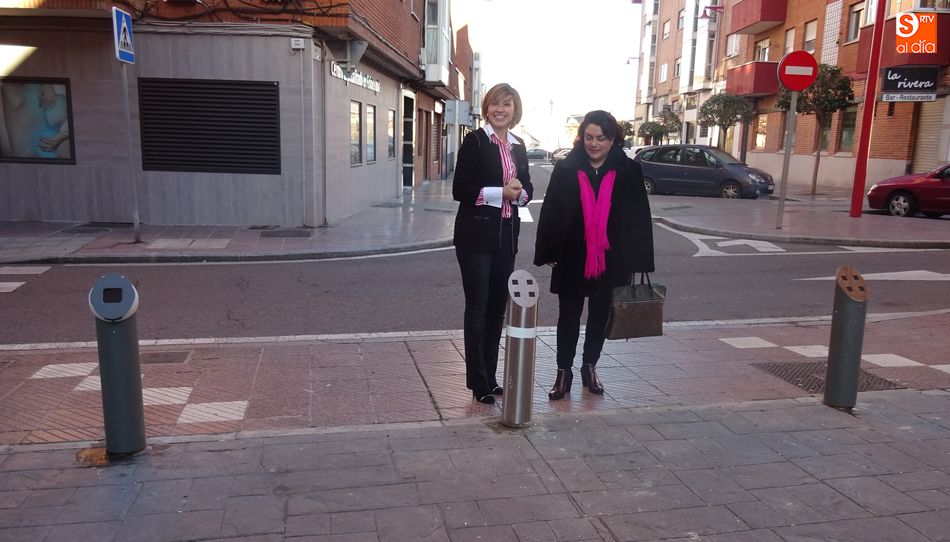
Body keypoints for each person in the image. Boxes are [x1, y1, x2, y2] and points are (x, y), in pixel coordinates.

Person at [534, 110, 655, 400]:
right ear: (581, 137)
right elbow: (551, 210)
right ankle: (563, 371)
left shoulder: (628, 170)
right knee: (569, 315)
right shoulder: (566, 167)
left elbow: (639, 216)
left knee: (600, 315)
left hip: (613, 257)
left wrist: (638, 260)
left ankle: (590, 366)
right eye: (589, 137)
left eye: (601, 138)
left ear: (612, 139)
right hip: (573, 254)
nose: (594, 144)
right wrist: (549, 250)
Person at [452, 83, 534, 404]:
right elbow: (461, 190)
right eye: (496, 104)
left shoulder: (518, 145)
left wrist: (520, 192)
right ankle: (478, 381)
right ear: (486, 107)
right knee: (478, 308)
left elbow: (526, 189)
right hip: (475, 236)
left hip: (506, 235)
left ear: (515, 111)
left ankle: (491, 376)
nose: (501, 109)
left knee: (497, 308)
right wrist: (502, 191)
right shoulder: (474, 141)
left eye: (508, 105)